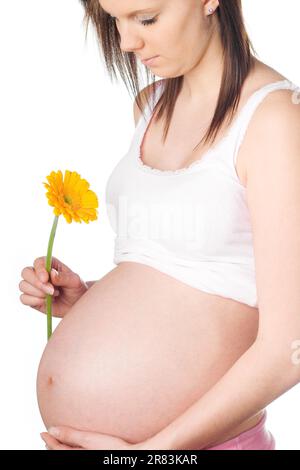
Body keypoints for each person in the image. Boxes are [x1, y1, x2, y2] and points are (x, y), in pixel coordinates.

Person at [19, 0, 300, 450]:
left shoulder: (275, 120)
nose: (128, 42)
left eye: (146, 18)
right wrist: (88, 301)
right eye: (115, 21)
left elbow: (290, 350)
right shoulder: (149, 106)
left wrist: (153, 454)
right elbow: (189, 276)